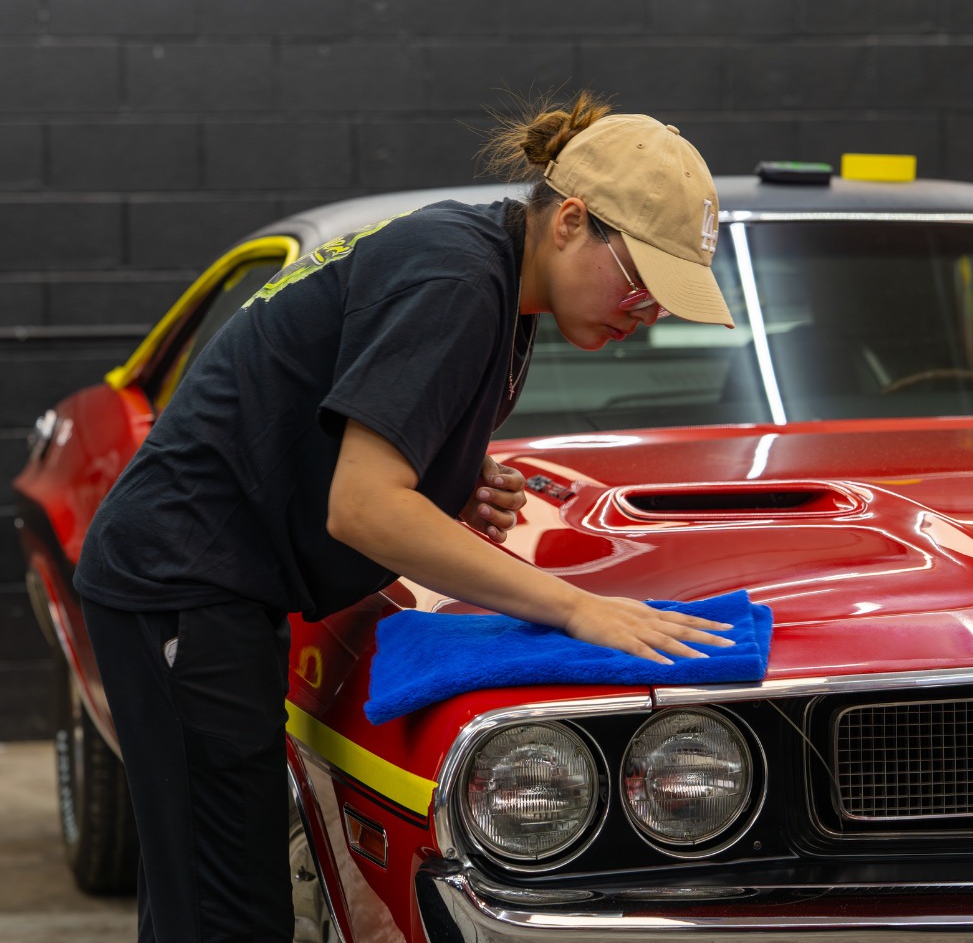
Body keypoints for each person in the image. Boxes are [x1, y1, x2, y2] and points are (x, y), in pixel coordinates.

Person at [74, 92, 737, 942]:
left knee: (207, 894)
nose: (645, 314)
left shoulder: (492, 277)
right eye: (642, 282)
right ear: (572, 221)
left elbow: (349, 425)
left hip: (212, 580)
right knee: (226, 909)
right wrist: (577, 606)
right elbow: (363, 508)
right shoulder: (458, 277)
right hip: (180, 583)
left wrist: (448, 472)